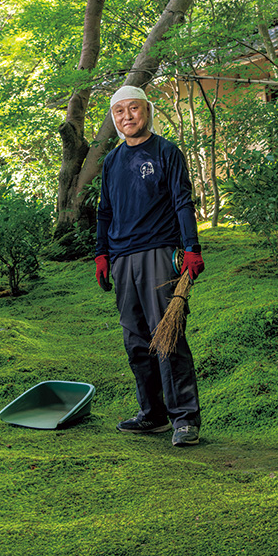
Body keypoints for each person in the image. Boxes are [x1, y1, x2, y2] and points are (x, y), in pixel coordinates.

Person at [94, 85, 205, 447]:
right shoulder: (111, 162)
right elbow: (105, 212)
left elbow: (182, 202)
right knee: (136, 339)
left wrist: (191, 247)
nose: (127, 117)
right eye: (119, 112)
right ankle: (153, 414)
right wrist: (101, 253)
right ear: (114, 118)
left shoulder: (167, 152)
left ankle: (184, 418)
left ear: (147, 111)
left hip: (159, 254)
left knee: (167, 337)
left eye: (134, 109)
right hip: (123, 259)